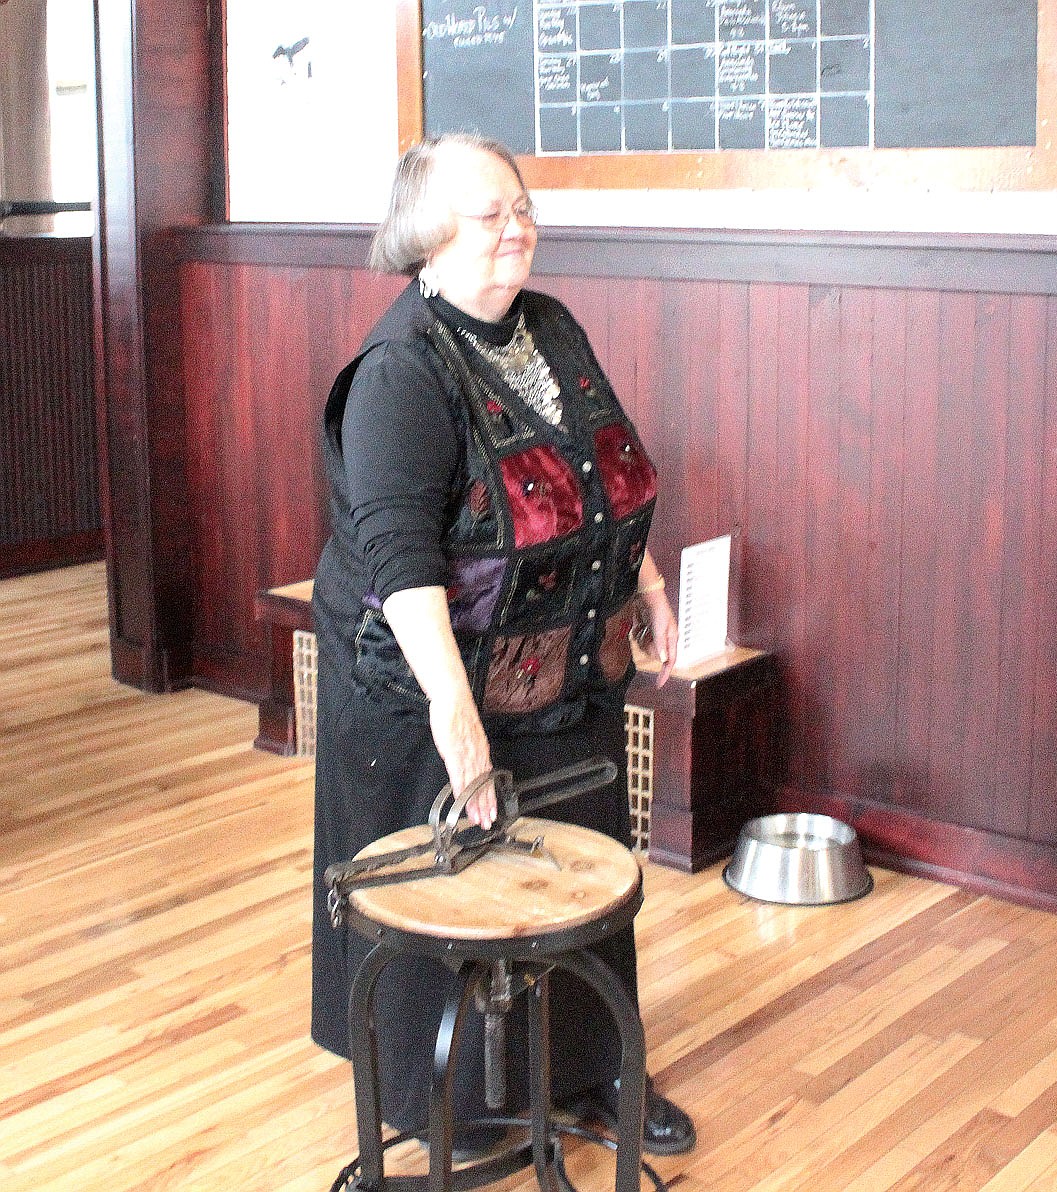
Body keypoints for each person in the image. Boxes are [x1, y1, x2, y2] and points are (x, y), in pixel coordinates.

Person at [310, 132, 695, 1158]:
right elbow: (400, 558)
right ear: (424, 239)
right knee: (452, 883)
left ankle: (599, 1069)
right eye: (489, 214)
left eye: (521, 206)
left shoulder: (551, 327)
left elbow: (602, 468)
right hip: (430, 679)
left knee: (581, 871)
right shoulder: (398, 373)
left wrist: (644, 585)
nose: (515, 226)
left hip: (563, 672)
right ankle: (457, 1100)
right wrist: (454, 714)